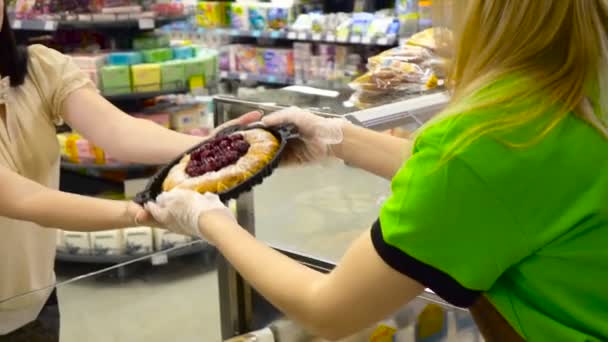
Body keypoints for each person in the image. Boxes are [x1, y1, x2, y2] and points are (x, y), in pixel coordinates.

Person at [147, 1, 608, 341]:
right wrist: (336, 138)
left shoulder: (492, 132)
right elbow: (498, 193)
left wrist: (210, 219)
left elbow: (328, 311)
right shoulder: (579, 84)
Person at [0, 1, 258, 339]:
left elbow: (118, 131)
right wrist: (143, 212)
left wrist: (207, 145)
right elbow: (23, 199)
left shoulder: (38, 69)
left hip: (34, 299)